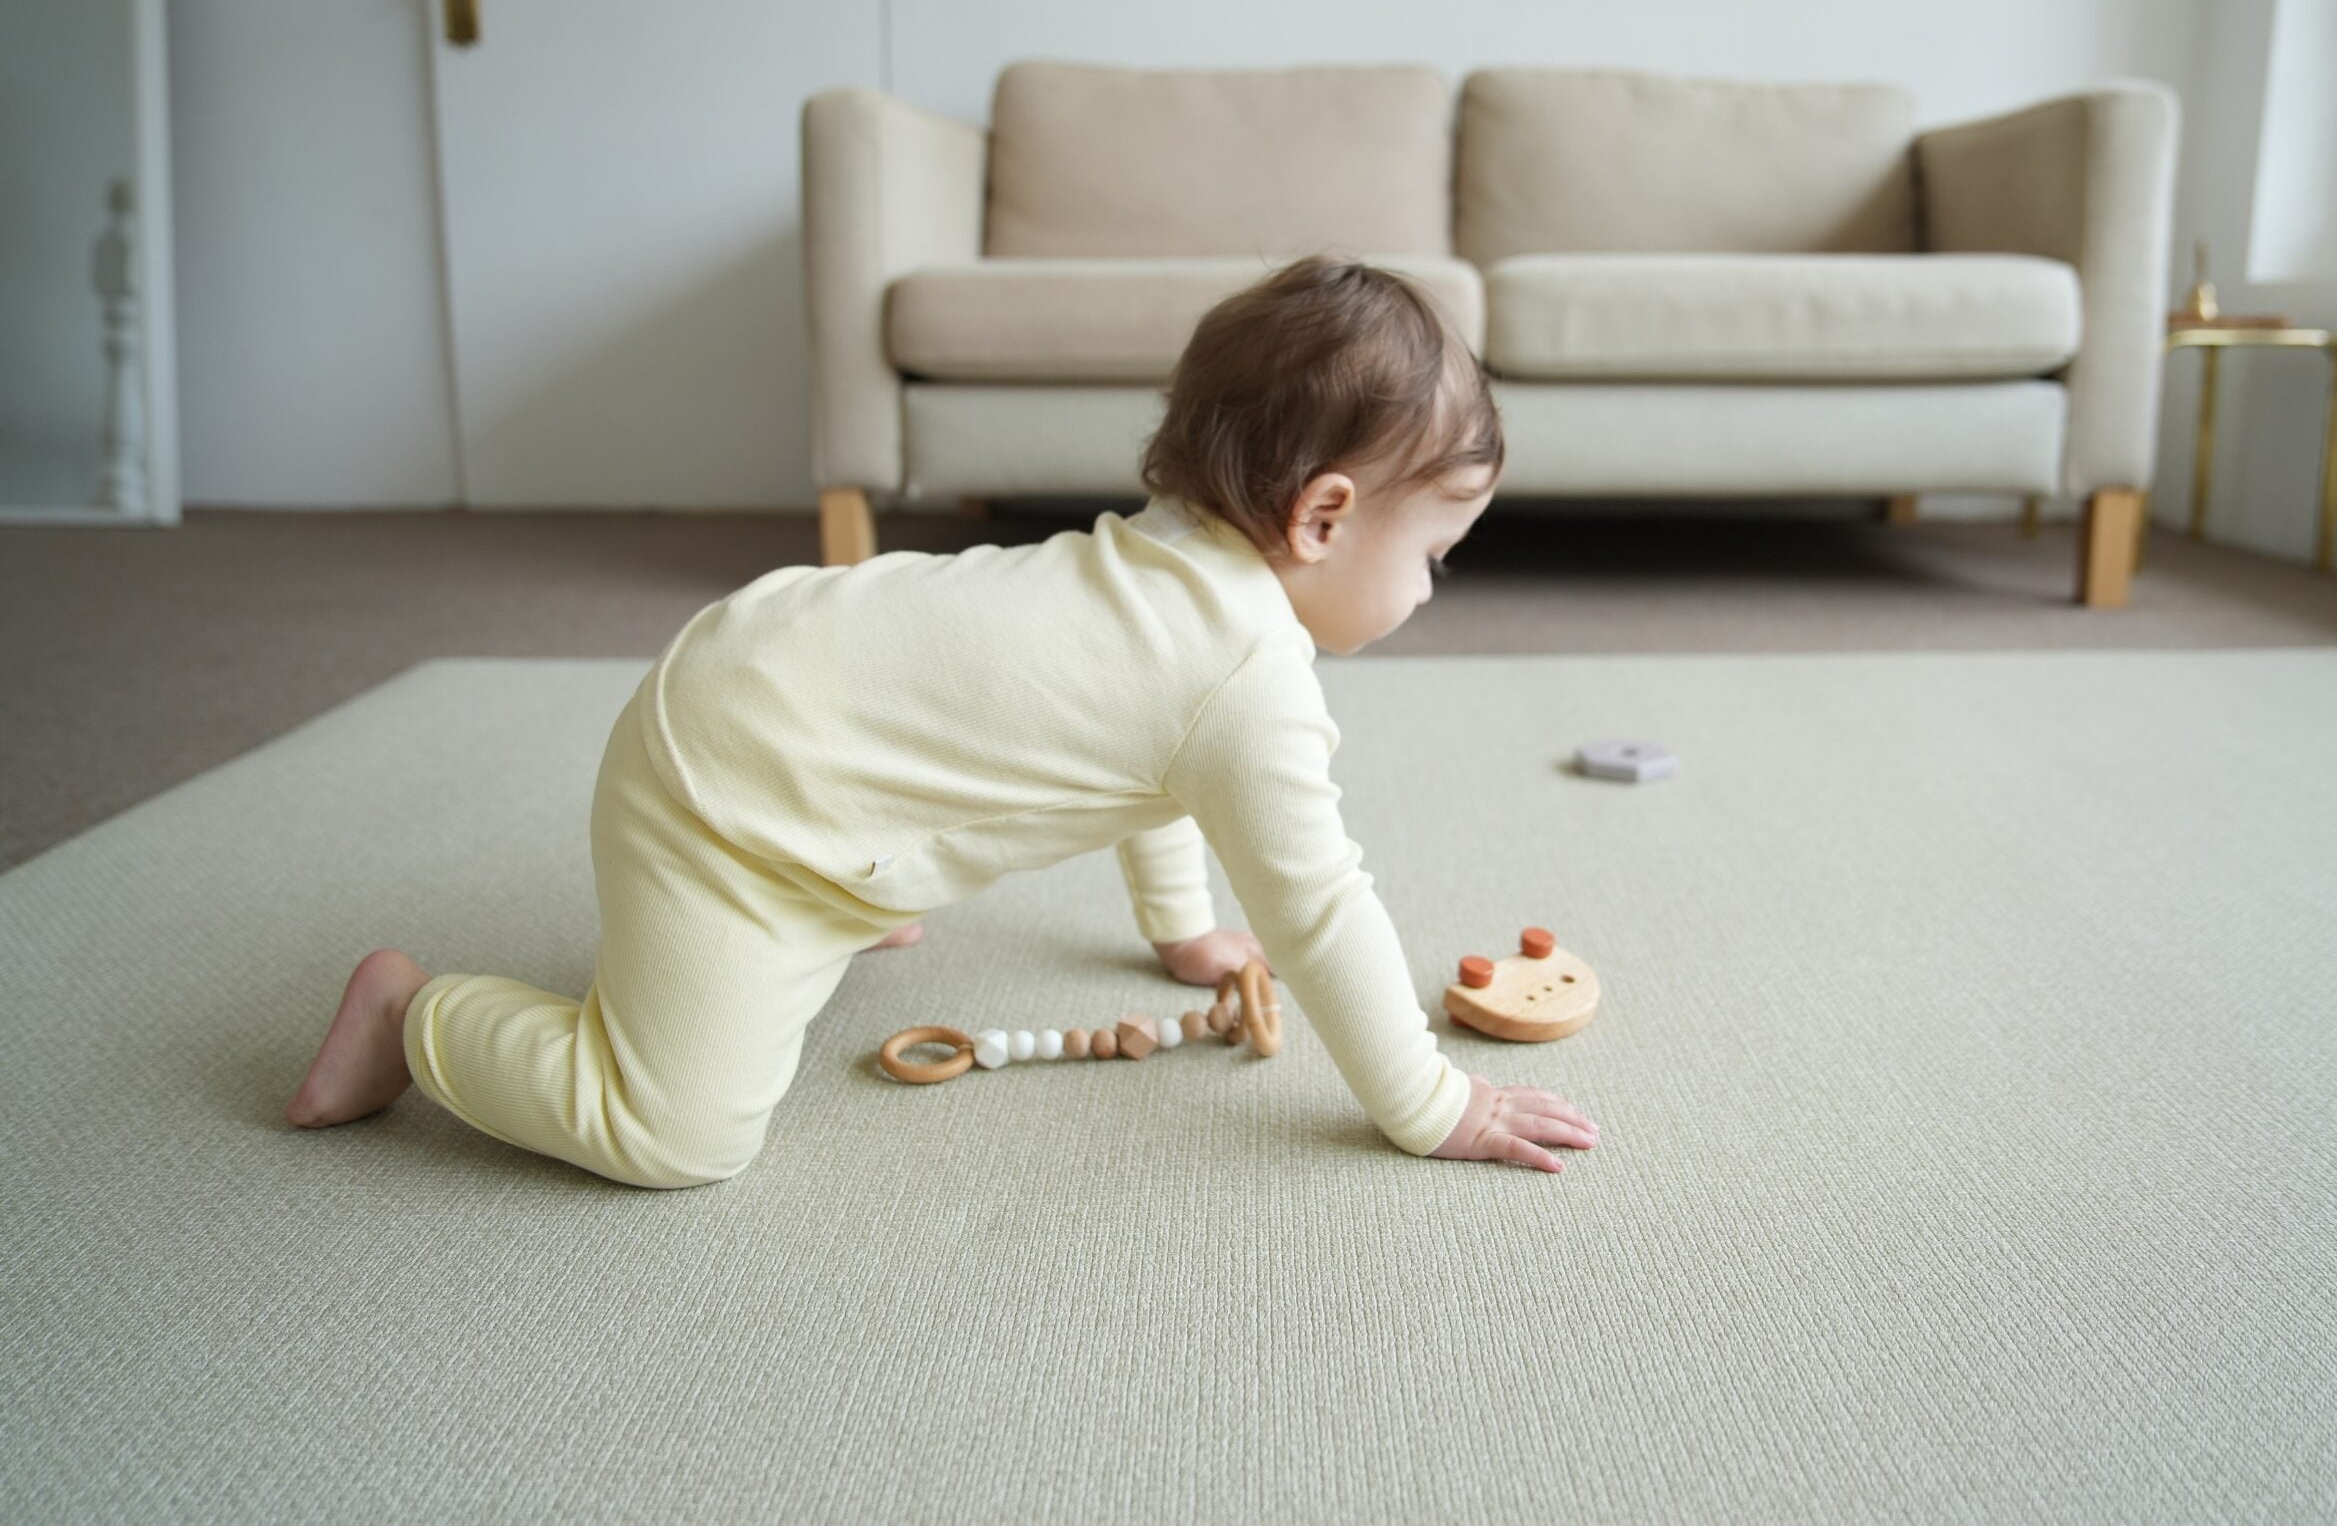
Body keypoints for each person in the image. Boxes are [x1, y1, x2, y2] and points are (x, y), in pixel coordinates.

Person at [283, 254, 1599, 1186]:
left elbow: (1159, 768)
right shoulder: (1248, 680)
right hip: (724, 799)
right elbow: (1317, 907)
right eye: (1433, 555)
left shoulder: (1175, 576)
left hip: (778, 692)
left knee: (868, 838)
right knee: (675, 1133)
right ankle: (413, 1020)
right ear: (1322, 517)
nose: (1429, 588)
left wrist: (1183, 931)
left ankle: (843, 881)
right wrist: (1433, 1104)